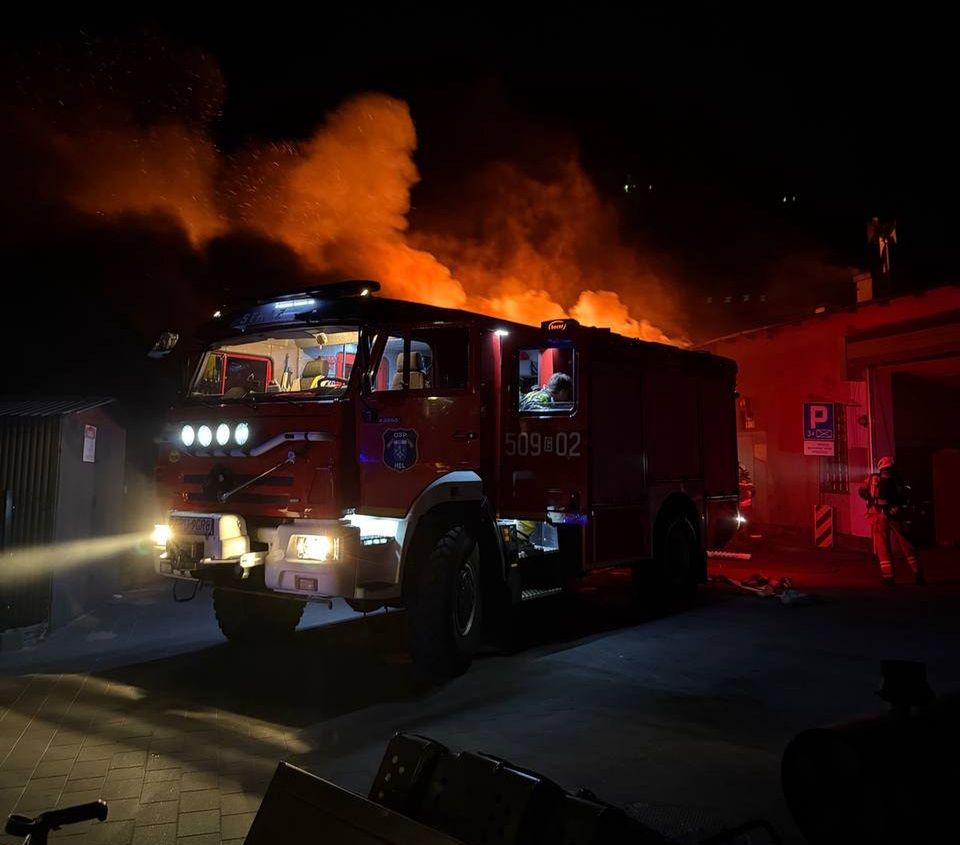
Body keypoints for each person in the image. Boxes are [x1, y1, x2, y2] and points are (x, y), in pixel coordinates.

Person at [859, 456, 923, 586]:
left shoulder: (872, 478)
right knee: (906, 544)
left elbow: (861, 491)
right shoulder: (898, 480)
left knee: (883, 546)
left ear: (880, 467)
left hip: (878, 516)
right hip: (895, 516)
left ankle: (888, 577)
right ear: (893, 467)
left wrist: (871, 501)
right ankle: (918, 574)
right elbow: (906, 496)